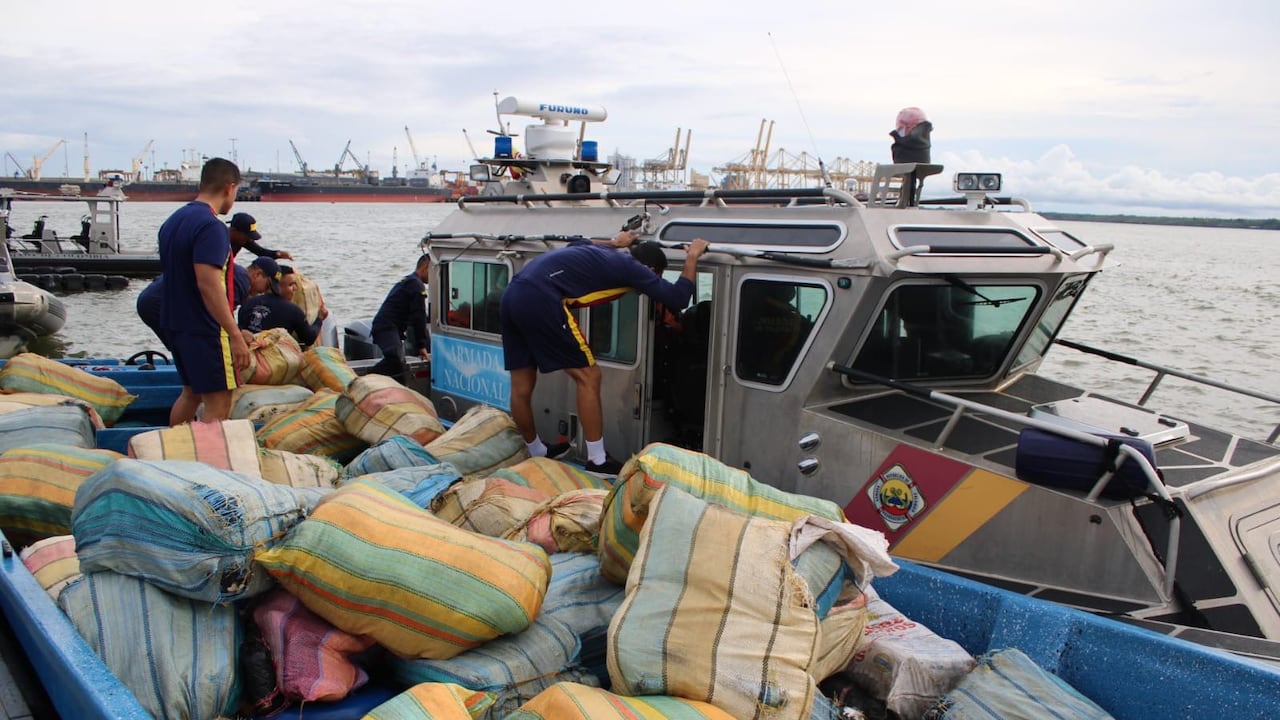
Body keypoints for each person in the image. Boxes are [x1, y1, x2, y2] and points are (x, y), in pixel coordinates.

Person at [500, 231, 709, 474]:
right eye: (656, 277)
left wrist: (614, 242)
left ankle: (537, 451)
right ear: (651, 269)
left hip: (513, 294)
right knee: (589, 377)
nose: (645, 289)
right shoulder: (632, 267)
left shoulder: (607, 253)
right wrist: (692, 256)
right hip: (541, 298)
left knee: (521, 386)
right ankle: (598, 460)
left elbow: (580, 242)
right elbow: (679, 297)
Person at [157, 157, 248, 425]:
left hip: (175, 322)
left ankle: (174, 454)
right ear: (230, 188)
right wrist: (234, 334)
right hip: (206, 327)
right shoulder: (212, 226)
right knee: (219, 403)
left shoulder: (173, 221)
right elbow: (208, 283)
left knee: (190, 394)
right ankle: (206, 464)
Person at [237, 257, 327, 346]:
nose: (295, 289)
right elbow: (309, 339)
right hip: (274, 358)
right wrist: (319, 319)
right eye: (291, 285)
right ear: (277, 286)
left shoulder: (248, 303)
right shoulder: (293, 311)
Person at [369, 254, 432, 379]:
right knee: (395, 359)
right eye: (434, 271)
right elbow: (418, 318)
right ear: (425, 267)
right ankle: (364, 379)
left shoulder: (409, 281)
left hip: (389, 327)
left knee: (399, 366)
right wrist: (422, 346)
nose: (436, 276)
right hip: (386, 327)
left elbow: (420, 315)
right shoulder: (416, 285)